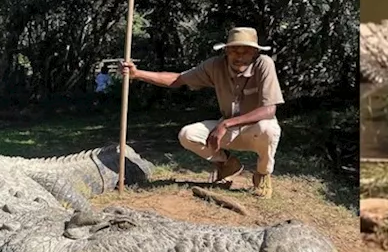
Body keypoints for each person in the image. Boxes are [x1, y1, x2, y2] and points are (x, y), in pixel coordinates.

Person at [121, 27, 284, 198]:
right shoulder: (215, 65)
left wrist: (226, 124)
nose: (240, 56)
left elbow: (269, 110)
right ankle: (227, 163)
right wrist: (137, 73)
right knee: (187, 134)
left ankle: (262, 175)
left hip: (254, 130)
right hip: (227, 129)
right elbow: (178, 79)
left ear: (255, 52)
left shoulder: (264, 64)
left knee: (269, 128)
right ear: (226, 51)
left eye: (246, 51)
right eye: (235, 50)